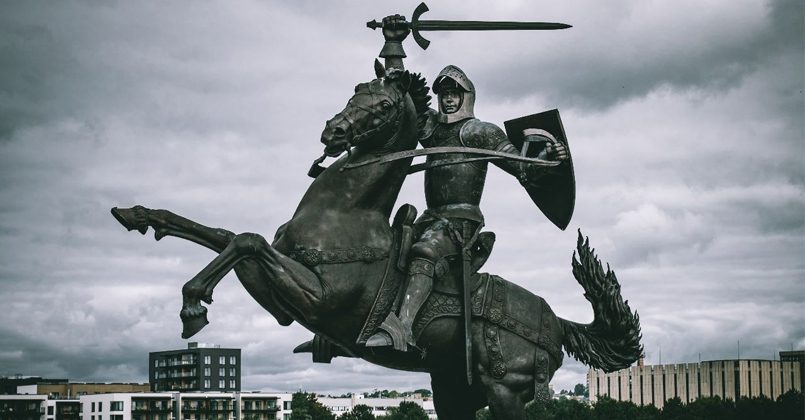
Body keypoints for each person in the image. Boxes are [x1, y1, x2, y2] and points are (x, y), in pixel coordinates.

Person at [366, 16, 569, 350]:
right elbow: (401, 94)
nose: (448, 99)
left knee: (424, 251)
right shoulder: (432, 129)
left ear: (466, 95)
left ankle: (402, 329)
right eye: (444, 94)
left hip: (461, 222)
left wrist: (549, 156)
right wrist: (394, 44)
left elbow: (522, 168)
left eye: (454, 93)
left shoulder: (480, 132)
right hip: (431, 217)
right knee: (385, 249)